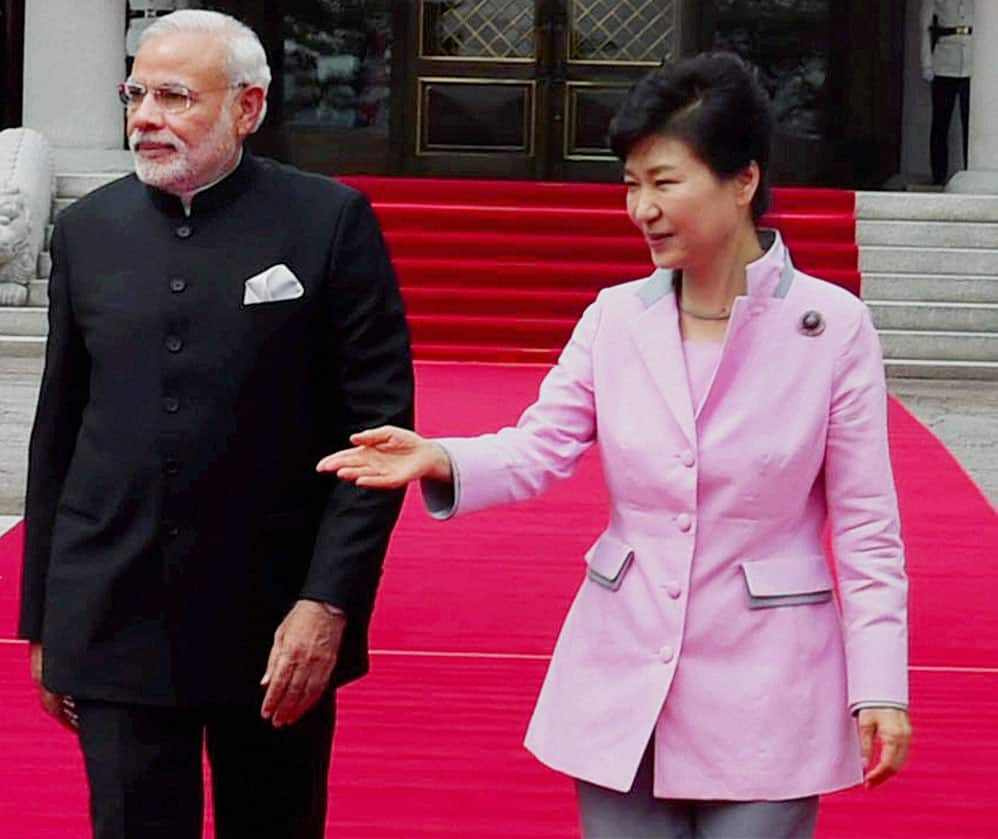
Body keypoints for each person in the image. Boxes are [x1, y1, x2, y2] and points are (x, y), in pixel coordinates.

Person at [319, 53, 911, 839]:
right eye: (631, 184)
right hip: (624, 667)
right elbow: (540, 447)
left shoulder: (831, 327)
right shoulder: (614, 317)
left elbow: (869, 525)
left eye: (665, 182)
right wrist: (443, 457)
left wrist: (881, 686)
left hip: (770, 678)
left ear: (742, 182)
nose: (642, 209)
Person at [19, 10, 413, 839]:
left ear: (247, 107)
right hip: (115, 610)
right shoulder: (87, 231)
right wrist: (47, 619)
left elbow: (376, 440)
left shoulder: (328, 222)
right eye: (136, 94)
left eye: (174, 96)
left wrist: (328, 602)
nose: (145, 117)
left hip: (274, 618)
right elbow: (57, 433)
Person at [921, 0, 974, 185]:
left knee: (971, 125)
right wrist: (927, 63)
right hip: (944, 62)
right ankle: (938, 175)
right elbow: (925, 27)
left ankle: (971, 173)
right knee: (940, 123)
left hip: (973, 63)